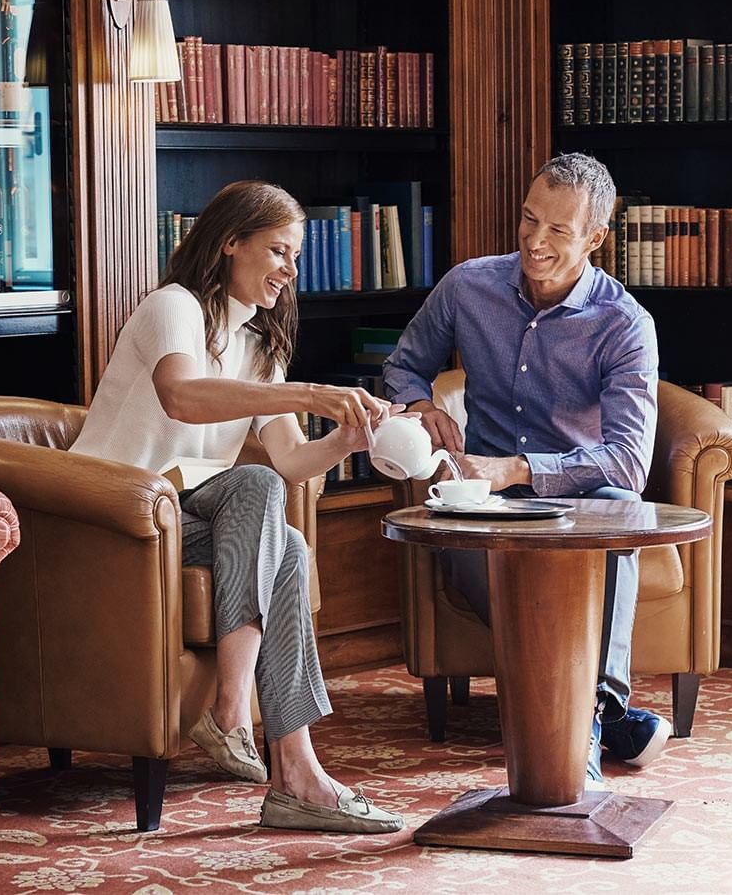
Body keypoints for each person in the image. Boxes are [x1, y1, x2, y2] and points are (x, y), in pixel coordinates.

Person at [70, 180, 403, 833]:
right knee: (273, 519)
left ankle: (295, 769)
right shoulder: (174, 307)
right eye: (279, 250)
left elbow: (291, 462)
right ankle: (235, 714)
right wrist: (309, 395)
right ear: (230, 243)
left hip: (181, 516)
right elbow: (182, 397)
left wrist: (344, 437)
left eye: (296, 256)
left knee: (274, 513)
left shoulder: (257, 344)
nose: (290, 270)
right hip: (111, 514)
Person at [382, 152, 668, 788]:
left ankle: (591, 716)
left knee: (616, 519)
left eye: (559, 231)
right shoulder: (467, 286)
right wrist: (423, 405)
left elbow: (627, 458)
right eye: (529, 219)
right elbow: (402, 366)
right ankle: (611, 716)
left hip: (580, 493)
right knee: (479, 553)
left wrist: (515, 468)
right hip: (480, 500)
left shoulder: (625, 325)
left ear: (595, 238)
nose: (535, 242)